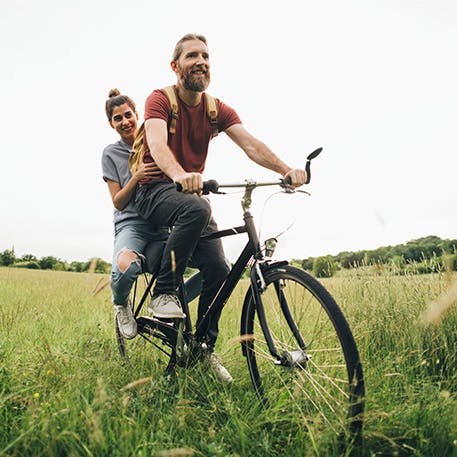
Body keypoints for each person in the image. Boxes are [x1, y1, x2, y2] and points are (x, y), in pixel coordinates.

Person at [134, 34, 308, 382]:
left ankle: (202, 349)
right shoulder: (160, 99)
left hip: (189, 196)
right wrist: (181, 174)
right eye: (192, 56)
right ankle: (164, 291)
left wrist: (284, 170)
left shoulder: (216, 109)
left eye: (207, 56)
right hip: (153, 189)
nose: (201, 61)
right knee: (197, 209)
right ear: (175, 66)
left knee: (219, 268)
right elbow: (155, 142)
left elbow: (251, 144)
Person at [102, 89, 202, 340]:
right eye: (117, 118)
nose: (125, 122)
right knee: (126, 266)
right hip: (132, 225)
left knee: (208, 268)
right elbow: (118, 202)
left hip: (159, 224)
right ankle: (120, 304)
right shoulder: (110, 154)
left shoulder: (156, 140)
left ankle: (170, 304)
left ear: (137, 115)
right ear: (111, 123)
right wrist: (136, 177)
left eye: (128, 115)